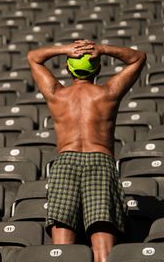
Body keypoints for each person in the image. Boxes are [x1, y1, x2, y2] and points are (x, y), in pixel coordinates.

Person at [27, 40, 146, 262]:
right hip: (100, 161)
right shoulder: (107, 93)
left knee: (61, 249)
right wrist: (102, 49)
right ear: (98, 69)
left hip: (66, 163)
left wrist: (65, 49)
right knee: (103, 248)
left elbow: (34, 56)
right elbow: (138, 57)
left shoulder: (56, 94)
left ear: (68, 69)